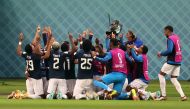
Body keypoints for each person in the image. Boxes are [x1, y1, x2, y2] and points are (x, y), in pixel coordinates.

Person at [157, 25, 187, 101]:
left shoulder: (170, 38)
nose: (164, 33)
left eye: (165, 31)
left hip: (172, 60)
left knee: (161, 75)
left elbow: (169, 50)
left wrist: (161, 53)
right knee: (173, 79)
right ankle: (183, 96)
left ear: (168, 31)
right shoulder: (176, 37)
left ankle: (163, 95)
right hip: (178, 60)